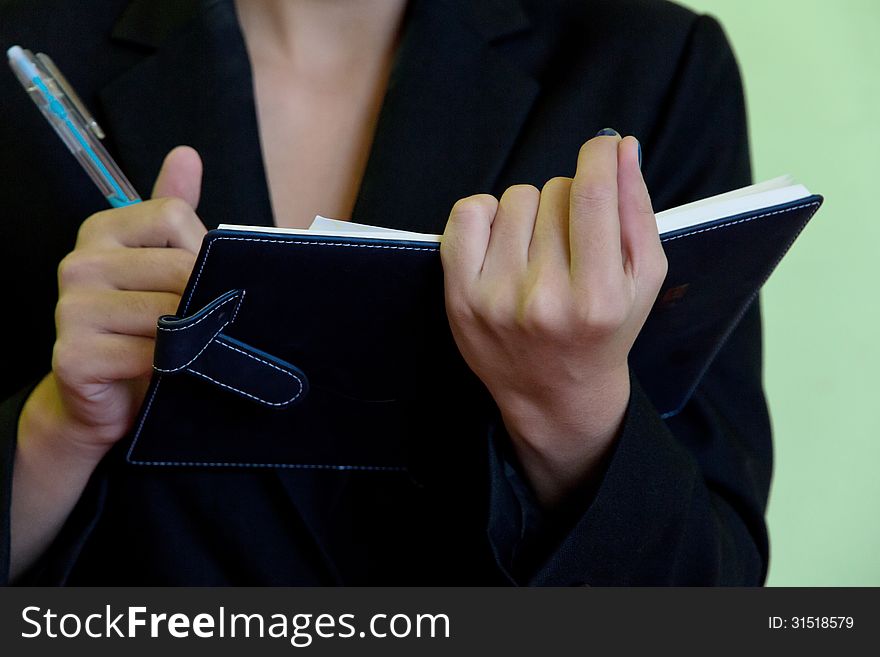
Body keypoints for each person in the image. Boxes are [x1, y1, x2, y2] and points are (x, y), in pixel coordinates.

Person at [0, 0, 771, 585]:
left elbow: (714, 596)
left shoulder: (653, 62)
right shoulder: (34, 43)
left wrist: (572, 406)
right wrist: (57, 430)